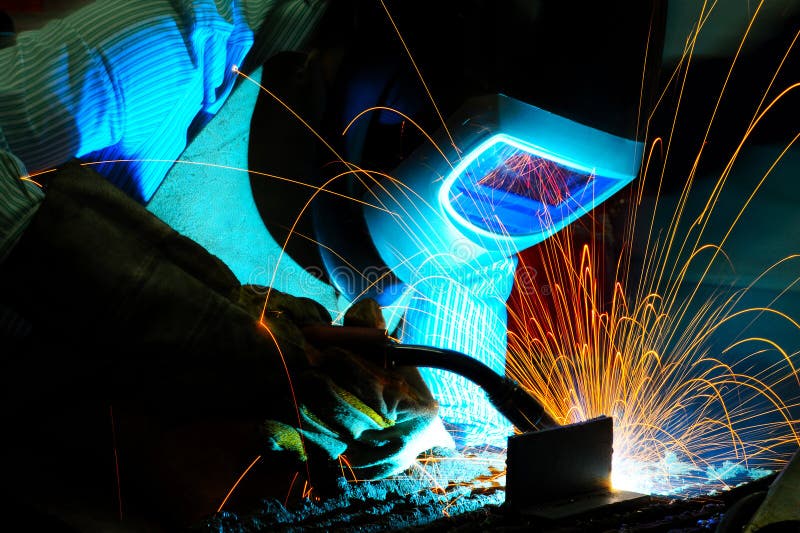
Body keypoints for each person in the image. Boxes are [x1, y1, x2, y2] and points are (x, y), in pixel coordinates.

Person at [0, 1, 454, 525]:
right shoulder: (174, 47)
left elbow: (473, 442)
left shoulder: (504, 193)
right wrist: (180, 316)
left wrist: (416, 440)